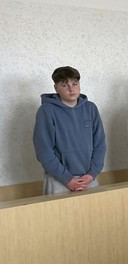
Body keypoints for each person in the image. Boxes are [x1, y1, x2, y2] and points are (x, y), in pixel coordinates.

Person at [33, 66, 106, 195]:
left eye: (75, 84)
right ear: (56, 88)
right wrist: (67, 179)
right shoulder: (46, 111)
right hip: (58, 179)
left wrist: (92, 174)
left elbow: (99, 144)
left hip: (89, 179)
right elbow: (43, 150)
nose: (71, 89)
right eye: (64, 85)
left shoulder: (90, 108)